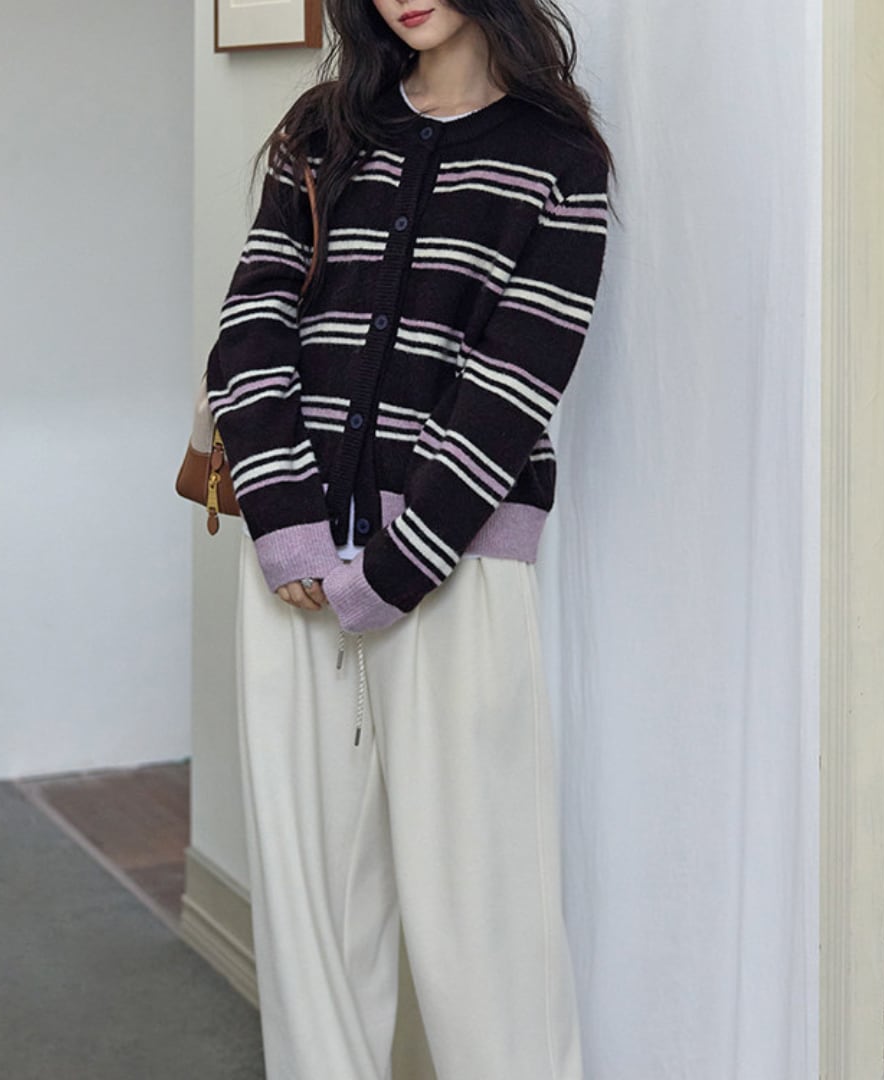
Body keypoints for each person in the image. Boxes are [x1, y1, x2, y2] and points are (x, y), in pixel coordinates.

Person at [205, 1, 616, 1075]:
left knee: (483, 911)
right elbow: (251, 325)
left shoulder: (558, 157)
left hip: (455, 566)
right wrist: (288, 526)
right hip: (291, 573)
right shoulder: (323, 127)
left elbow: (517, 381)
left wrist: (397, 566)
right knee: (312, 917)